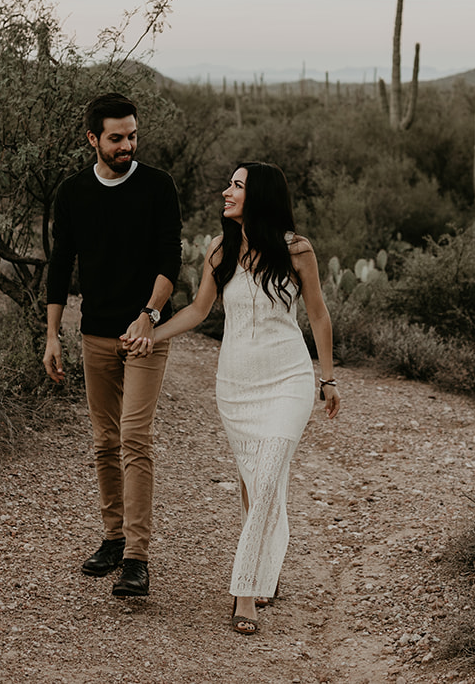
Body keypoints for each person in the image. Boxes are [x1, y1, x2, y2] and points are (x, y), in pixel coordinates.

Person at [126, 161, 340, 635]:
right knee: (255, 484)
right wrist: (152, 334)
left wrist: (327, 378)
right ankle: (266, 567)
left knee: (265, 480)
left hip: (288, 378)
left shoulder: (297, 250)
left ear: (258, 195)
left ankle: (244, 590)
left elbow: (319, 316)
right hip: (236, 386)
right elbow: (200, 310)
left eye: (236, 186)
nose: (226, 191)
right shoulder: (220, 249)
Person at [43, 92, 182, 598]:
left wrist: (149, 316)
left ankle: (137, 560)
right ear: (93, 140)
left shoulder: (158, 187)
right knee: (105, 441)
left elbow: (171, 259)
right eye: (117, 138)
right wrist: (52, 334)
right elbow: (61, 265)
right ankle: (113, 537)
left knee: (134, 437)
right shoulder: (73, 192)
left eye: (133, 136)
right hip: (95, 334)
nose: (128, 145)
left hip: (146, 334)